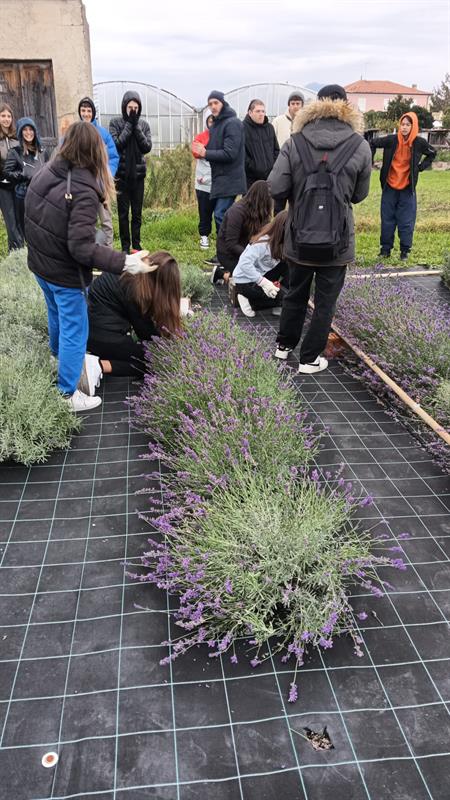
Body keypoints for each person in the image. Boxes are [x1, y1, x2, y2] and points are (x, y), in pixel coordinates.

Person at [25, 121, 151, 412]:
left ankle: (57, 358)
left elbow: (32, 216)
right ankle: (68, 393)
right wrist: (125, 262)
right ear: (95, 150)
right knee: (75, 329)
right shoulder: (82, 188)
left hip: (41, 265)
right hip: (63, 273)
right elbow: (81, 249)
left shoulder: (47, 171)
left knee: (55, 314)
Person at [268, 84, 372, 374]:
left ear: (315, 105)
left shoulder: (295, 141)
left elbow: (276, 187)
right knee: (326, 302)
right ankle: (309, 358)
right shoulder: (359, 145)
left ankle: (283, 346)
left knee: (294, 292)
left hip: (299, 237)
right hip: (337, 242)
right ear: (346, 107)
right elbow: (358, 195)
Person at [87, 250, 181, 377]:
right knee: (156, 361)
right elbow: (145, 333)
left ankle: (99, 363)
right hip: (100, 337)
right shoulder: (135, 290)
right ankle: (99, 366)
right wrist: (171, 344)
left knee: (153, 355)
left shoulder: (135, 274)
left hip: (91, 328)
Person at [370, 111, 436, 261]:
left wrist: (420, 167)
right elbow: (372, 143)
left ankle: (404, 251)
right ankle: (385, 250)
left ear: (413, 126)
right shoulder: (391, 140)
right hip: (389, 187)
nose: (404, 127)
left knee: (406, 221)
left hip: (407, 189)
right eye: (402, 124)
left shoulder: (419, 143)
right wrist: (370, 161)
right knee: (387, 220)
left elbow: (432, 153)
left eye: (408, 125)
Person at [192, 90, 246, 267]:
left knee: (221, 215)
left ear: (223, 103)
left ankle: (229, 254)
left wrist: (205, 152)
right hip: (220, 178)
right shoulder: (217, 125)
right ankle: (225, 254)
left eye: (216, 102)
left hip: (230, 178)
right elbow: (216, 148)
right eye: (210, 104)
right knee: (222, 215)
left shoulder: (232, 123)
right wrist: (202, 149)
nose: (213, 106)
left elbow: (230, 153)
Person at [109, 90, 152, 253]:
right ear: (124, 107)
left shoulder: (144, 125)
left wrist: (136, 127)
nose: (133, 111)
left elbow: (146, 147)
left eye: (135, 108)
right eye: (130, 107)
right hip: (121, 176)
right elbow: (117, 145)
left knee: (137, 213)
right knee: (123, 214)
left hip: (138, 176)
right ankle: (125, 247)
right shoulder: (115, 123)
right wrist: (129, 125)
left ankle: (136, 245)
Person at [78, 96, 119, 246]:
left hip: (101, 186)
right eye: (83, 110)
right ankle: (90, 252)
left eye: (89, 111)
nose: (86, 114)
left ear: (93, 113)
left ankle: (108, 253)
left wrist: (107, 175)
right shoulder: (75, 133)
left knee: (106, 222)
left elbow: (114, 157)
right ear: (79, 112)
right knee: (86, 222)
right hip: (82, 187)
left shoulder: (103, 134)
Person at [213, 180, 272, 283]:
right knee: (250, 277)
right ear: (262, 199)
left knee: (266, 271)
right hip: (228, 254)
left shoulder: (261, 212)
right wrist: (251, 255)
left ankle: (227, 274)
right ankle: (222, 274)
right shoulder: (237, 212)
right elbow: (231, 244)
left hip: (246, 251)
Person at [233, 210, 288, 317]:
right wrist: (264, 283)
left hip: (261, 274)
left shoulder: (280, 242)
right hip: (246, 282)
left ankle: (277, 300)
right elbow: (244, 263)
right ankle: (249, 302)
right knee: (287, 299)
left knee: (287, 266)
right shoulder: (263, 243)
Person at [4, 117, 49, 241]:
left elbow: (49, 170)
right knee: (28, 233)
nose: (28, 132)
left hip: (42, 196)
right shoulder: (15, 152)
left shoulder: (42, 151)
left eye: (31, 129)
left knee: (43, 231)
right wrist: (23, 174)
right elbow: (7, 174)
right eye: (25, 130)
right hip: (24, 197)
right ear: (20, 132)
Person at [272, 91, 305, 214]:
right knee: (279, 201)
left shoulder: (306, 123)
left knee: (297, 201)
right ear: (289, 105)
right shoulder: (278, 121)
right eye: (293, 103)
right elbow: (271, 142)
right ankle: (278, 223)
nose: (295, 106)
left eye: (298, 103)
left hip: (299, 166)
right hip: (282, 165)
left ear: (302, 105)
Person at [243, 99, 279, 191]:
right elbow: (242, 154)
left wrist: (273, 167)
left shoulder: (269, 128)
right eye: (258, 111)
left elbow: (276, 150)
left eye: (263, 111)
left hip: (269, 179)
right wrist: (255, 167)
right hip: (251, 180)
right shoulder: (242, 128)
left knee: (269, 200)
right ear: (250, 113)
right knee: (252, 200)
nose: (261, 114)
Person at [0, 103, 22, 251]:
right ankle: (16, 252)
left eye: (9, 116)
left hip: (18, 184)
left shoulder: (17, 138)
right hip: (3, 186)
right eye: (3, 116)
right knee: (10, 221)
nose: (6, 119)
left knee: (20, 218)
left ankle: (19, 250)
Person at [192, 114, 215, 250]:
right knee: (204, 210)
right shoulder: (201, 136)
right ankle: (204, 236)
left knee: (221, 212)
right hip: (203, 180)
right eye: (211, 121)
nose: (213, 123)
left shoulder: (225, 136)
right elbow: (196, 152)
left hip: (220, 181)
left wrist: (206, 150)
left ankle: (222, 237)